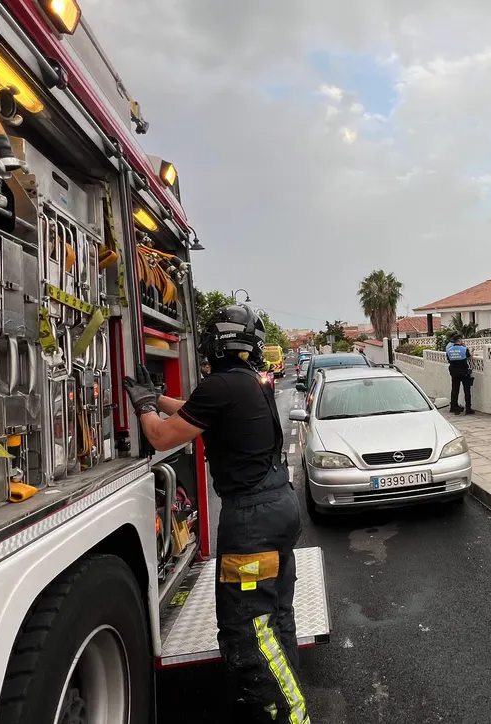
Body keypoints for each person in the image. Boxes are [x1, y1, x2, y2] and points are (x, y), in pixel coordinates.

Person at [124, 304, 309, 723]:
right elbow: (195, 409)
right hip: (279, 506)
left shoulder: (221, 386)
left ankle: (287, 714)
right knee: (276, 618)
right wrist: (157, 398)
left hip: (251, 523)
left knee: (249, 630)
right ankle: (280, 702)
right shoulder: (249, 383)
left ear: (217, 342)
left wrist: (141, 406)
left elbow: (159, 435)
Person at [445, 333, 474, 415]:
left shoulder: (449, 350)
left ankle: (454, 407)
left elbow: (448, 359)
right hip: (464, 372)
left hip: (454, 372)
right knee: (467, 390)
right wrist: (471, 352)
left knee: (455, 390)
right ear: (460, 340)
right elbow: (469, 357)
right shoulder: (464, 349)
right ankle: (468, 409)